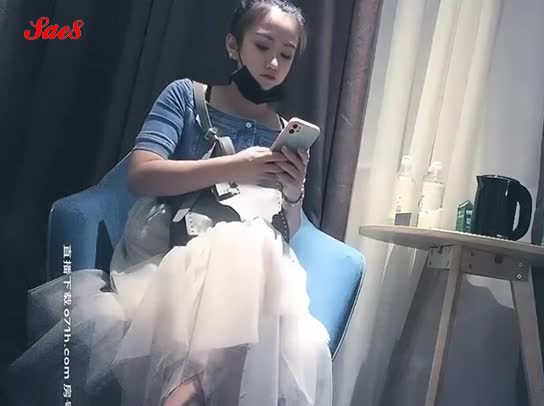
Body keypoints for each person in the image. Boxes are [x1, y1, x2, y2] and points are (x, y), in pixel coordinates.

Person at [3, 1, 332, 405]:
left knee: (258, 249)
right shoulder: (188, 97)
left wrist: (294, 193)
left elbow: (287, 230)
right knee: (244, 242)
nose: (274, 63)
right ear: (233, 45)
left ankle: (186, 392)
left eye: (287, 54)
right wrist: (234, 167)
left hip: (255, 266)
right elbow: (142, 174)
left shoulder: (285, 133)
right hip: (173, 250)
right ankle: (190, 391)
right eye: (263, 46)